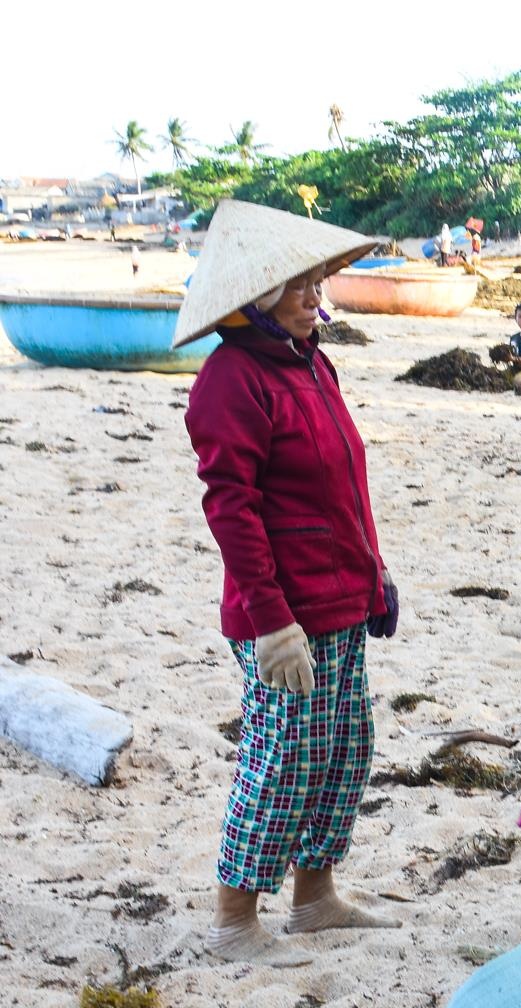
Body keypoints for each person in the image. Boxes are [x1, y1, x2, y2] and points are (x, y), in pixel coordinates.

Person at [172, 199, 403, 966]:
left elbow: (344, 481)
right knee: (283, 758)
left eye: (316, 282)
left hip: (340, 598)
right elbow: (231, 510)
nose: (315, 296)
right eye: (298, 286)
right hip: (285, 614)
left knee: (343, 749)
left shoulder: (312, 360)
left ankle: (316, 898)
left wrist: (376, 576)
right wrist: (272, 622)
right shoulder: (231, 380)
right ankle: (236, 918)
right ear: (256, 303)